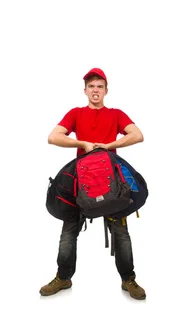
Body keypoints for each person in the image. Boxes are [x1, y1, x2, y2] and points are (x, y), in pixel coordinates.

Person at [39, 68, 146, 300]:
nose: (95, 90)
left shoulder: (116, 114)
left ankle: (129, 279)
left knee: (121, 231)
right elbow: (53, 136)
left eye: (99, 86)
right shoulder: (76, 113)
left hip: (112, 183)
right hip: (82, 181)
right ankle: (63, 277)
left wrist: (108, 146)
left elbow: (137, 134)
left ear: (106, 91)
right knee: (69, 230)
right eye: (91, 86)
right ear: (85, 90)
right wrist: (83, 143)